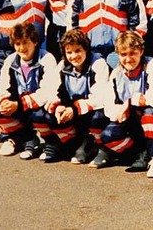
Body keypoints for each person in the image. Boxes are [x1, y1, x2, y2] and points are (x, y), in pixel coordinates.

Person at [94, 31, 153, 178]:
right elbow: (109, 107)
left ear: (141, 51)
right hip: (131, 120)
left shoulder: (152, 65)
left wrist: (129, 102)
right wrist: (122, 109)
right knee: (108, 135)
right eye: (123, 55)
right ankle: (140, 153)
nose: (128, 59)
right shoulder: (116, 74)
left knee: (149, 114)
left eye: (132, 53)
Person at [0, 22, 59, 160]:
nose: (22, 48)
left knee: (39, 115)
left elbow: (47, 91)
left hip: (38, 106)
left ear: (34, 42)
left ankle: (51, 142)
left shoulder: (46, 58)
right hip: (20, 105)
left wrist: (19, 104)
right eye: (17, 44)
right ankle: (25, 139)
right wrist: (4, 101)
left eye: (25, 43)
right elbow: (1, 86)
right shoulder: (11, 60)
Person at [45, 28, 110, 165]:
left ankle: (102, 148)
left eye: (78, 51)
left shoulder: (98, 63)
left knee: (97, 117)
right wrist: (58, 105)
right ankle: (78, 145)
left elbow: (100, 97)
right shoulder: (62, 66)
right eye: (69, 52)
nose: (74, 56)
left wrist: (74, 109)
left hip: (93, 109)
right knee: (48, 116)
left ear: (86, 49)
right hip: (73, 110)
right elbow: (53, 89)